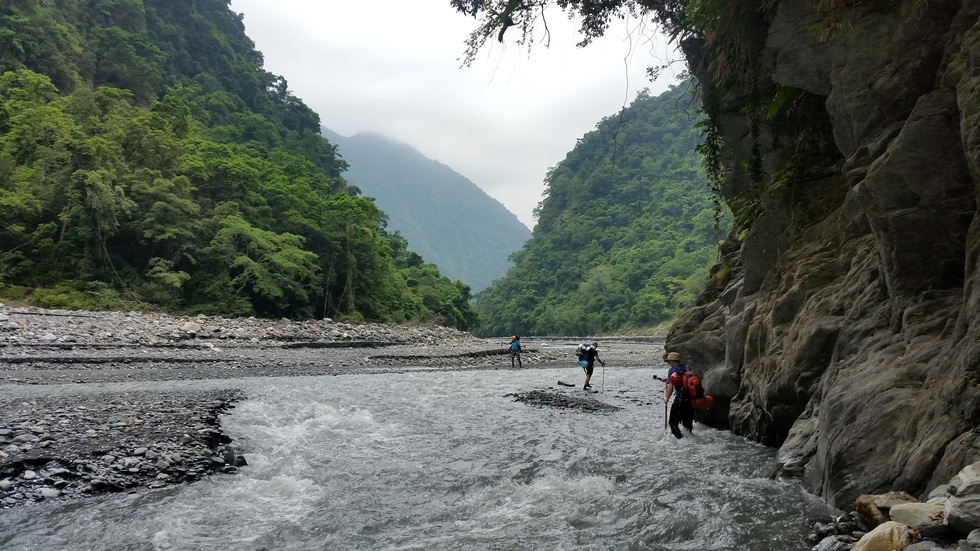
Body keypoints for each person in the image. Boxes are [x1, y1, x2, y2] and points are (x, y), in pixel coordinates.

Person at [663, 351, 694, 439]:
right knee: (687, 426)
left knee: (672, 423)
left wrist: (666, 398)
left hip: (680, 400)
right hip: (691, 400)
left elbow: (670, 388)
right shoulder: (687, 368)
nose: (669, 363)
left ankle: (680, 440)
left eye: (669, 361)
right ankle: (690, 441)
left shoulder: (672, 370)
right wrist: (668, 379)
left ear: (673, 361)